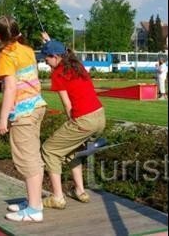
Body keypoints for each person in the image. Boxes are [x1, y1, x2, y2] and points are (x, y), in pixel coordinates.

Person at [0, 15, 47, 222]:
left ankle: (34, 209)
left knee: (27, 160)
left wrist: (3, 119)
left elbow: (10, 88)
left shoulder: (6, 55)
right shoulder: (28, 50)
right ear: (17, 32)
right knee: (33, 157)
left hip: (23, 112)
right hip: (37, 107)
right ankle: (34, 201)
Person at [39, 32, 106, 210]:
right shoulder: (77, 65)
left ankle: (57, 197)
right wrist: (49, 41)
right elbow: (64, 51)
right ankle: (80, 190)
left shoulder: (58, 74)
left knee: (50, 150)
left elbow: (68, 106)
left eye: (45, 58)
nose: (44, 61)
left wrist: (73, 125)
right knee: (72, 150)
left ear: (54, 57)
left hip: (84, 120)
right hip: (100, 116)